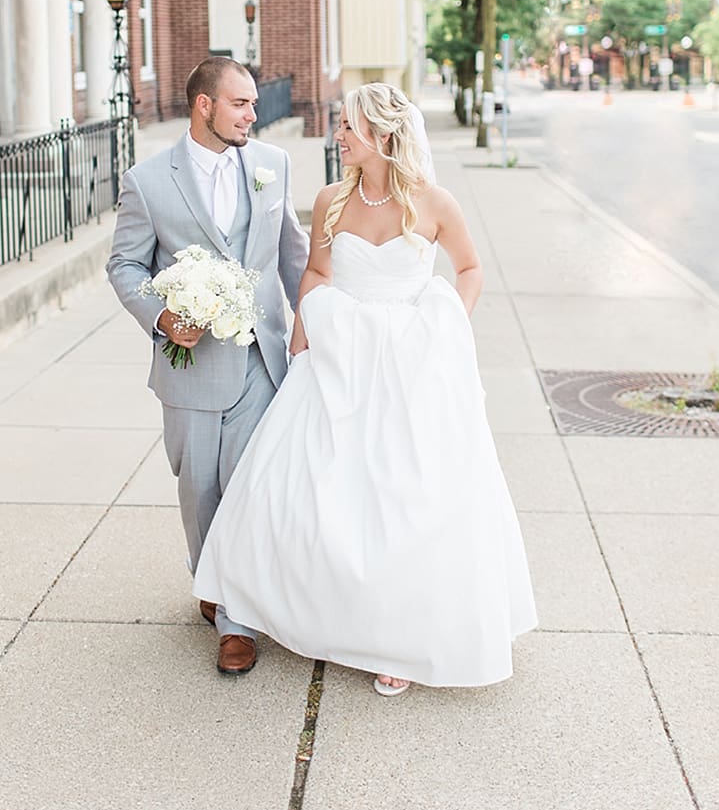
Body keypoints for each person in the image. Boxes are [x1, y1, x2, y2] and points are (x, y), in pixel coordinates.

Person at [192, 82, 537, 694]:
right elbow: (316, 272)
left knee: (404, 496)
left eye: (349, 126)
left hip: (410, 364)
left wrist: (446, 330)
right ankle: (304, 612)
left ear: (382, 134)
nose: (339, 135)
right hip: (340, 357)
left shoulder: (433, 202)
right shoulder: (331, 199)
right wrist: (301, 343)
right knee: (307, 491)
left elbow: (470, 269)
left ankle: (399, 639)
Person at [106, 57, 311, 676]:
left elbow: (292, 255)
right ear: (205, 106)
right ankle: (211, 578)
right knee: (199, 489)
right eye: (240, 103)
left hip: (261, 358)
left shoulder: (273, 165)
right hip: (190, 365)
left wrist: (313, 329)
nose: (253, 114)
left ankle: (236, 620)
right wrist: (164, 318)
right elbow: (125, 265)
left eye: (252, 103)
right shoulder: (148, 181)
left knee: (248, 484)